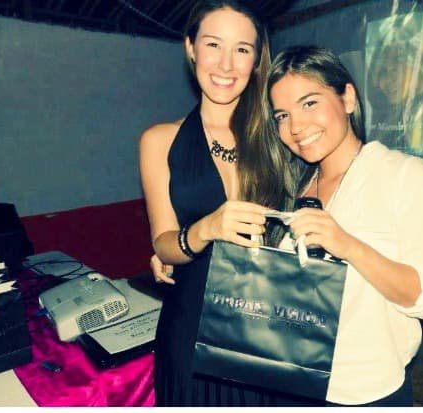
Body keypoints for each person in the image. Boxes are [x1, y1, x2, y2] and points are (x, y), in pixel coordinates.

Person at [264, 45, 423, 406]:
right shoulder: (291, 188)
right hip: (290, 380)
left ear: (348, 98)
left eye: (309, 103)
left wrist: (348, 245)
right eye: (282, 115)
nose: (296, 127)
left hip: (365, 391)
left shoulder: (404, 175)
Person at [139, 1, 298, 406]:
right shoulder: (160, 140)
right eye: (213, 44)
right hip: (191, 327)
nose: (226, 65)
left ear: (257, 60)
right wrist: (206, 228)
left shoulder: (281, 135)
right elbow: (164, 244)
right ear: (190, 47)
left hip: (270, 323)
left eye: (242, 49)